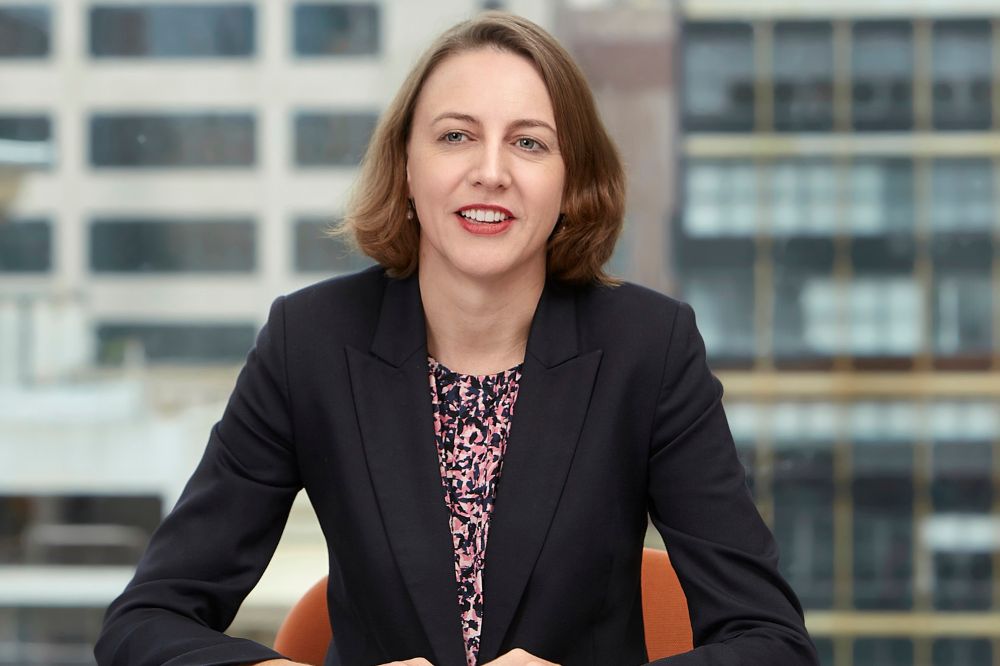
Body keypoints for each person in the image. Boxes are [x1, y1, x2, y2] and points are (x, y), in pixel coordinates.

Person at [95, 11, 819, 666]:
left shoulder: (650, 348)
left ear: (570, 182)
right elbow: (144, 624)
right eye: (455, 136)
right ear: (407, 166)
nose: (490, 172)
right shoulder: (307, 343)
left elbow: (773, 644)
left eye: (529, 143)